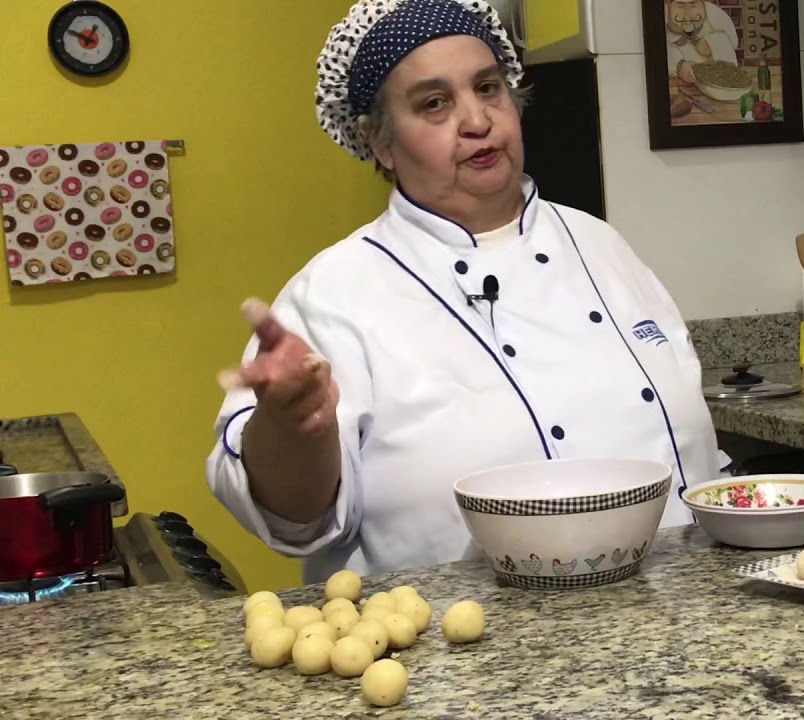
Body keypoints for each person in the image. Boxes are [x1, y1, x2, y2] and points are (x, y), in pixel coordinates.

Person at [206, 0, 726, 584]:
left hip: (678, 620)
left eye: (488, 88)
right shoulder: (333, 294)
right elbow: (294, 522)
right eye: (434, 103)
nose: (477, 120)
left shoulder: (599, 244)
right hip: (457, 652)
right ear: (378, 143)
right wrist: (293, 426)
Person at [666, 0, 741, 85]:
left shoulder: (714, 17)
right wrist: (678, 67)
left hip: (714, 77)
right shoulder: (664, 19)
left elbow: (732, 42)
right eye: (680, 6)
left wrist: (710, 43)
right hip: (681, 79)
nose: (687, 16)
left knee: (720, 39)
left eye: (693, 6)